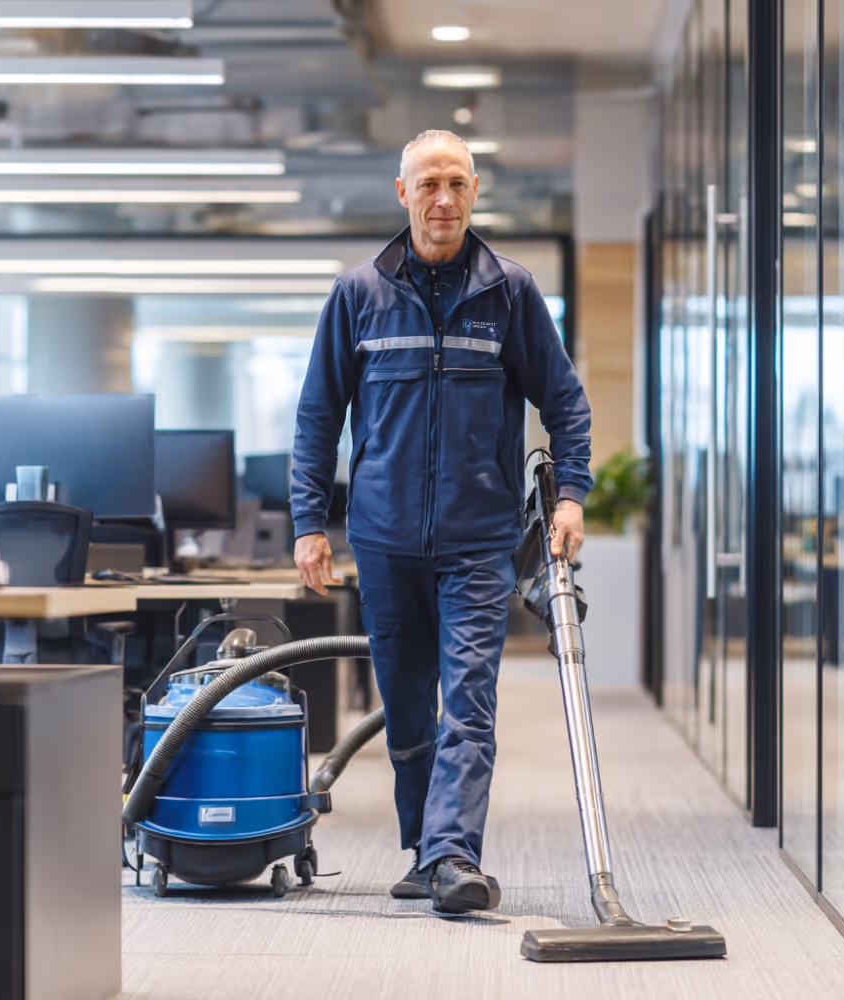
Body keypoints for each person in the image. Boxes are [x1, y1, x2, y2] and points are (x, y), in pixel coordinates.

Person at [291, 129, 591, 913]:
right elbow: (317, 417)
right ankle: (427, 848)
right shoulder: (357, 295)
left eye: (457, 183)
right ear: (403, 194)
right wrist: (309, 521)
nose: (443, 199)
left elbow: (564, 404)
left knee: (470, 699)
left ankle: (455, 855)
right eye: (428, 184)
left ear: (475, 191)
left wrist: (571, 496)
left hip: (478, 540)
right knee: (407, 704)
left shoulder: (510, 292)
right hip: (386, 541)